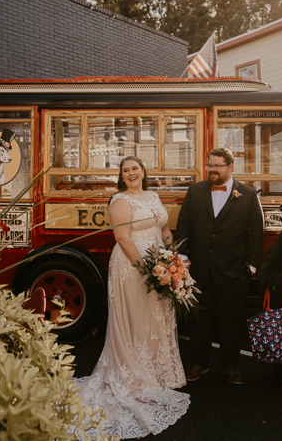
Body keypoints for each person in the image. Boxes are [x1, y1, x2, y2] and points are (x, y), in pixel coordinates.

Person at [75, 156, 189, 438]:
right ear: (122, 176)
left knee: (156, 316)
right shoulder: (120, 201)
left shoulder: (152, 195)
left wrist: (173, 261)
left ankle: (159, 373)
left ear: (143, 171)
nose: (131, 173)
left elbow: (164, 231)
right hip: (131, 266)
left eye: (135, 168)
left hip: (158, 264)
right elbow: (123, 238)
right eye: (126, 171)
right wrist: (147, 270)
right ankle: (133, 376)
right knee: (136, 319)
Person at [175, 147, 264, 385]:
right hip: (199, 269)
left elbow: (256, 232)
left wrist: (252, 266)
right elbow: (183, 225)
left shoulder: (248, 194)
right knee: (198, 320)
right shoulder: (194, 191)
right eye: (209, 165)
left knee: (231, 321)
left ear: (230, 167)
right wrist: (182, 259)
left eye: (217, 165)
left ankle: (230, 365)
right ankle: (198, 363)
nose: (212, 169)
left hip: (234, 271)